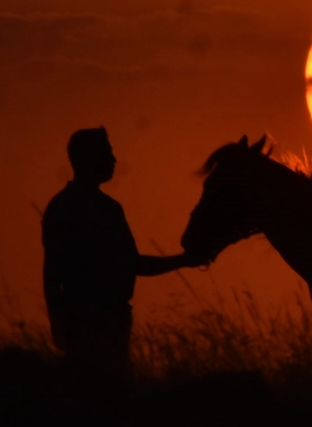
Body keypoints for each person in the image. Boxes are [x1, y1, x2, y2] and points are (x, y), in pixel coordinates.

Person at [42, 126, 200, 376]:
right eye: (106, 153)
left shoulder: (62, 206)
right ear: (88, 158)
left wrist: (58, 321)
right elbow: (133, 264)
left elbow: (52, 276)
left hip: (88, 318)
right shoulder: (104, 209)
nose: (114, 160)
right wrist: (184, 260)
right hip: (101, 320)